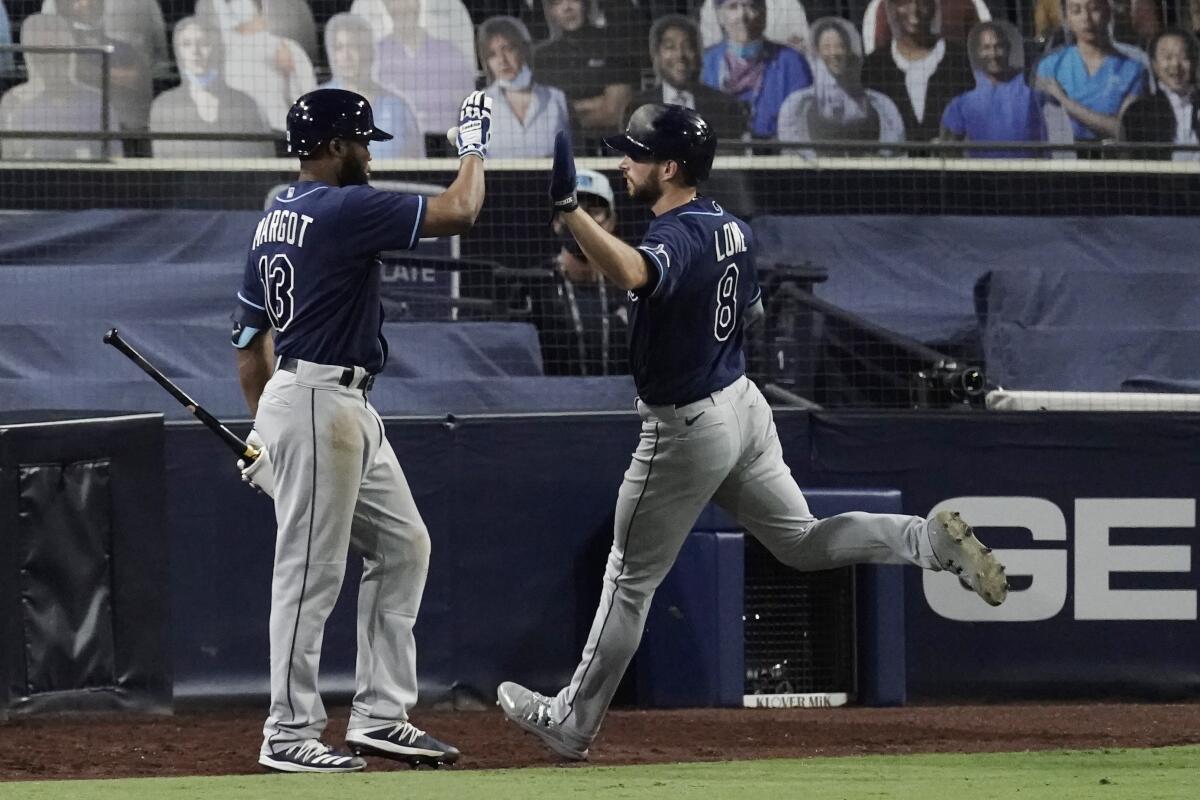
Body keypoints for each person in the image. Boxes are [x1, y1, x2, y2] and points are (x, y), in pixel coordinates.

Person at [495, 104, 1009, 761]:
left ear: (670, 166)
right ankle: (927, 540)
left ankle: (573, 721)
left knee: (629, 581)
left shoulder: (676, 235)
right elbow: (752, 315)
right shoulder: (732, 228)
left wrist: (571, 213)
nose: (623, 163)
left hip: (687, 426)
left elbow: (630, 273)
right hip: (743, 405)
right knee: (799, 542)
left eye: (635, 154)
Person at [230, 87, 493, 773]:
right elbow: (461, 209)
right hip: (319, 402)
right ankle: (287, 730)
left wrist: (263, 433)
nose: (370, 154)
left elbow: (247, 344)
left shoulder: (273, 217)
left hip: (324, 402)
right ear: (335, 146)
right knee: (310, 573)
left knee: (404, 546)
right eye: (363, 142)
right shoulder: (342, 206)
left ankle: (380, 715)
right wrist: (471, 147)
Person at [522, 168, 630, 375]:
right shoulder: (535, 287)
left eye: (594, 211)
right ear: (556, 222)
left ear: (611, 222)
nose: (583, 222)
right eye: (572, 210)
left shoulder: (629, 284)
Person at [149, 16, 274, 158]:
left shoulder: (245, 104)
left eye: (204, 43)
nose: (195, 52)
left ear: (218, 50)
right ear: (178, 52)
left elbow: (263, 160)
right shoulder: (164, 105)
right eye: (186, 44)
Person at [777, 16, 905, 155]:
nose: (834, 53)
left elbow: (892, 150)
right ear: (817, 52)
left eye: (840, 46)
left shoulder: (881, 104)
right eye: (827, 47)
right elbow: (794, 152)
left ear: (849, 51)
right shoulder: (796, 105)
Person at [0, 13, 112, 160]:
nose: (53, 65)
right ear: (31, 59)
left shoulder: (98, 103)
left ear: (70, 53)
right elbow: (10, 167)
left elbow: (115, 162)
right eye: (43, 58)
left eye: (59, 54)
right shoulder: (12, 104)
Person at [532, 0, 641, 149]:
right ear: (550, 12)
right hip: (560, 150)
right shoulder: (542, 57)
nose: (567, 8)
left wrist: (565, 111)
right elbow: (542, 118)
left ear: (586, 4)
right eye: (557, 3)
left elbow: (614, 112)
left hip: (611, 148)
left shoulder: (614, 44)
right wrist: (594, 102)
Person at [1035, 0, 1147, 143]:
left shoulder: (1133, 68)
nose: (1086, 18)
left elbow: (1123, 130)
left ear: (1108, 11)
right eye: (1076, 11)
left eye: (1094, 9)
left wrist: (1064, 101)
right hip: (1064, 158)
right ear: (1066, 18)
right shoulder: (1050, 66)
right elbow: (1040, 125)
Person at [861, 0, 972, 142]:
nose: (914, 11)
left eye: (923, 3)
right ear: (892, 9)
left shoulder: (960, 60)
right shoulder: (874, 65)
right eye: (905, 2)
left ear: (934, 8)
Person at [701, 0, 813, 138]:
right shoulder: (704, 63)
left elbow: (802, 125)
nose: (742, 16)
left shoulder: (792, 63)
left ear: (764, 12)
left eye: (751, 6)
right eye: (733, 7)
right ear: (719, 16)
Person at [628, 14, 749, 141]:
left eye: (687, 46)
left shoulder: (725, 107)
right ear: (656, 55)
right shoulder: (637, 108)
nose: (680, 55)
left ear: (698, 54)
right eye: (670, 47)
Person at [201, 0, 317, 132]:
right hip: (238, 134)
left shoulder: (287, 48)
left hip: (280, 132)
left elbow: (310, 103)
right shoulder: (219, 53)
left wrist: (289, 73)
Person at [320, 13, 424, 159]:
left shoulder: (398, 108)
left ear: (370, 52)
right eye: (339, 48)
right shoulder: (317, 104)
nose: (346, 55)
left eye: (354, 46)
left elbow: (417, 165)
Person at [939, 20, 1048, 157]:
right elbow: (948, 151)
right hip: (983, 176)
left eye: (999, 46)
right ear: (978, 52)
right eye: (986, 48)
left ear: (1008, 48)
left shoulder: (1032, 88)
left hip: (1030, 174)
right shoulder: (961, 100)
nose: (993, 54)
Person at [375, 0, 477, 135]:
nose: (403, 8)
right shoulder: (374, 55)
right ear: (386, 6)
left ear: (418, 4)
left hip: (447, 143)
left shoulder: (450, 52)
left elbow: (469, 106)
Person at [53, 0, 152, 133]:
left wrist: (90, 72)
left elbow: (139, 79)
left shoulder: (123, 49)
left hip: (122, 128)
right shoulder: (60, 51)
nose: (86, 3)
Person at [477, 15, 569, 157]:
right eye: (492, 54)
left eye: (507, 49)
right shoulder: (478, 106)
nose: (502, 60)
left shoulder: (556, 99)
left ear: (523, 49)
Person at [1121, 30, 1200, 160]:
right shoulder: (1139, 111)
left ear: (1195, 62)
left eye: (1184, 57)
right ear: (1155, 64)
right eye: (1168, 57)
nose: (1175, 64)